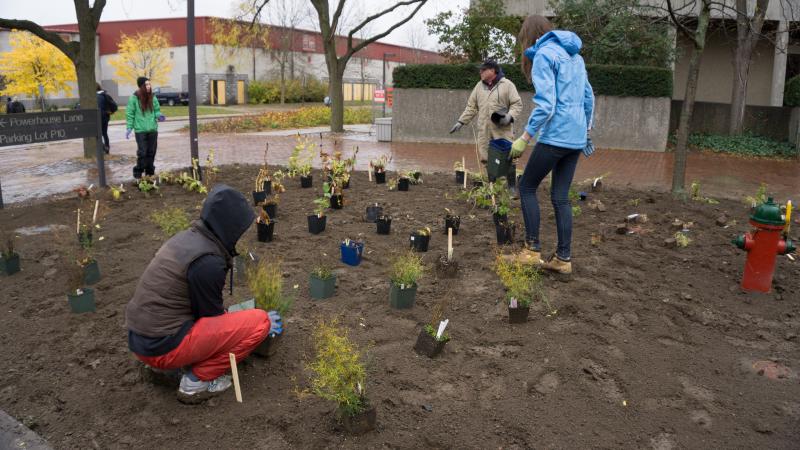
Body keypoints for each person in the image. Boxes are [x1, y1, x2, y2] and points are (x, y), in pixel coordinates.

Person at [125, 184, 282, 404]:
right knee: (259, 321)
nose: (241, 234)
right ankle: (197, 381)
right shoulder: (208, 262)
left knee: (237, 320)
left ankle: (175, 365)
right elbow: (210, 318)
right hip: (160, 347)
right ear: (229, 225)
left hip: (142, 339)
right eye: (239, 228)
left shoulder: (190, 239)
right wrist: (252, 323)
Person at [504, 15, 594, 277]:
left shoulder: (544, 55)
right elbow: (589, 97)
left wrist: (525, 137)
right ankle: (563, 258)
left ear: (529, 37)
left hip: (556, 135)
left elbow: (547, 105)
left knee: (527, 186)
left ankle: (531, 251)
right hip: (575, 138)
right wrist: (586, 131)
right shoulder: (576, 57)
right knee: (560, 197)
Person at [449, 59, 523, 164]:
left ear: (492, 70)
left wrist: (509, 117)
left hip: (502, 132)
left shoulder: (507, 85)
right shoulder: (479, 86)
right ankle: (490, 180)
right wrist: (461, 121)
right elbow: (472, 106)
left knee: (505, 161)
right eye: (480, 70)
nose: (480, 72)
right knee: (486, 161)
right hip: (484, 132)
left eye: (483, 70)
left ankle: (508, 180)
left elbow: (517, 104)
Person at [126, 76, 165, 178]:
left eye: (149, 84)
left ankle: (150, 172)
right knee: (142, 152)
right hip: (140, 130)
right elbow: (130, 113)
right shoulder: (134, 98)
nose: (148, 86)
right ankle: (138, 172)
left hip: (152, 129)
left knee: (151, 152)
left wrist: (159, 115)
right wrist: (129, 127)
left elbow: (156, 110)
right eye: (146, 84)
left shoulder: (152, 97)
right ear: (141, 86)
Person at [96, 83, 117, 154]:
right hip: (105, 117)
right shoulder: (105, 95)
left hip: (97, 118)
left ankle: (104, 147)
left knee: (97, 134)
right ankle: (107, 147)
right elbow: (114, 106)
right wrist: (110, 112)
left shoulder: (95, 97)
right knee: (104, 133)